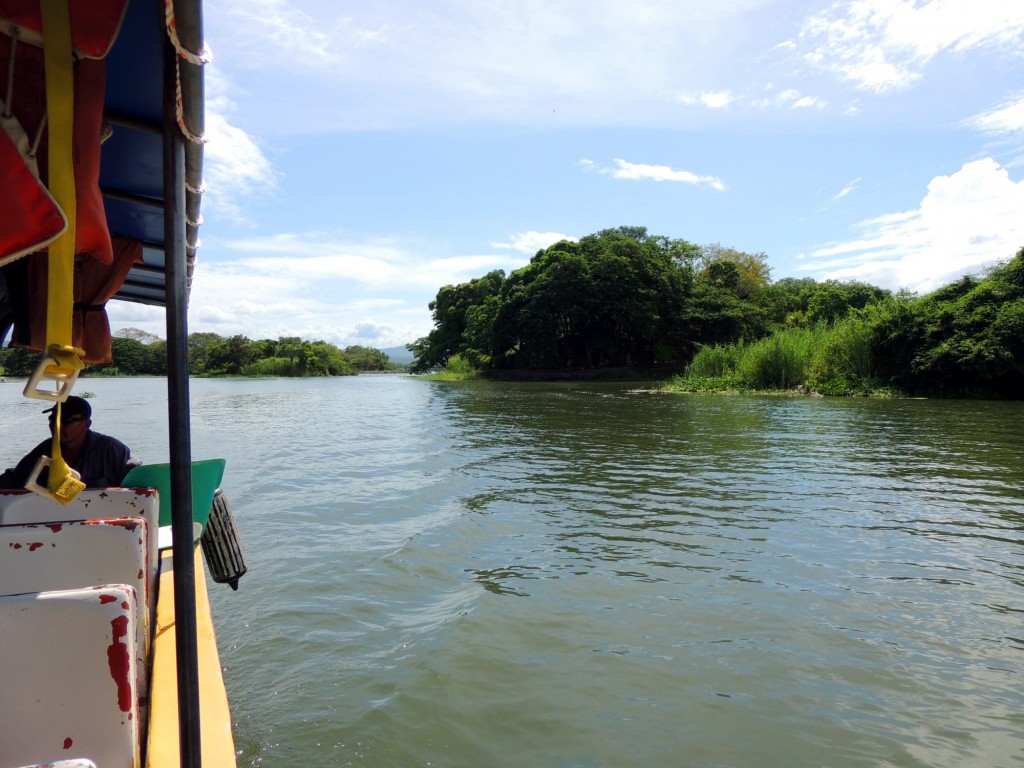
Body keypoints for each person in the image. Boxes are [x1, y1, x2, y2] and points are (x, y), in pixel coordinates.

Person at [0, 395, 140, 490]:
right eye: (52, 419)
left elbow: (138, 479)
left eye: (66, 421)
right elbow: (15, 479)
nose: (56, 425)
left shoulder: (110, 449)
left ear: (86, 424)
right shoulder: (45, 449)